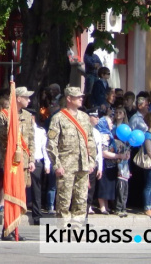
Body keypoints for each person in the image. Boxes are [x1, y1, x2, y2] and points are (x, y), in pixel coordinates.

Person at [46, 86, 97, 226]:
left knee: (81, 199)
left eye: (82, 96)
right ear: (69, 98)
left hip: (83, 164)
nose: (81, 99)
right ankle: (63, 228)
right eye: (78, 97)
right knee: (64, 199)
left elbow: (91, 140)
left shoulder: (85, 117)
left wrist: (91, 161)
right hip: (66, 165)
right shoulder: (58, 118)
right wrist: (56, 165)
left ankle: (77, 227)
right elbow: (51, 144)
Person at [0, 86, 35, 240]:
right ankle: (7, 228)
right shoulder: (3, 116)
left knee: (20, 195)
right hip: (12, 162)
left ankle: (14, 227)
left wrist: (31, 159)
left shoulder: (27, 115)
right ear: (18, 98)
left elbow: (31, 140)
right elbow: (3, 139)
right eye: (26, 97)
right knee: (10, 194)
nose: (29, 100)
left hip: (24, 162)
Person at [30, 113, 50, 225]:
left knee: (36, 189)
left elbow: (45, 148)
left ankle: (37, 215)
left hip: (37, 162)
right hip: (23, 161)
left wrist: (47, 164)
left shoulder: (41, 131)